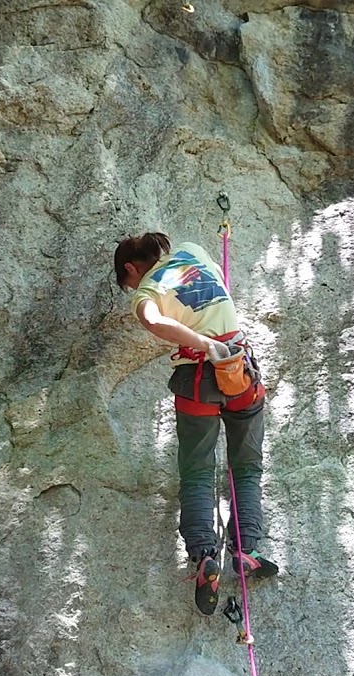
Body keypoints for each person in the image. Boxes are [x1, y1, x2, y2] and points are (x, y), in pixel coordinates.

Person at [114, 231, 279, 616]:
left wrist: (201, 343)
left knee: (198, 472)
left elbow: (154, 321)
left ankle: (206, 554)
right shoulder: (192, 251)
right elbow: (216, 288)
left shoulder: (145, 294)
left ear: (131, 269)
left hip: (198, 379)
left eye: (129, 283)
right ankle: (246, 550)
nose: (133, 289)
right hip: (239, 370)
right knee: (247, 467)